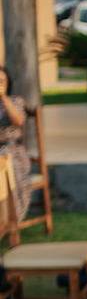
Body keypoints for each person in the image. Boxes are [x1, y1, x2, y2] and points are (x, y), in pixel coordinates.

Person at [0, 67, 30, 219]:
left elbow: (18, 121)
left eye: (1, 81)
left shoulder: (15, 100)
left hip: (12, 152)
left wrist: (3, 97)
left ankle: (9, 221)